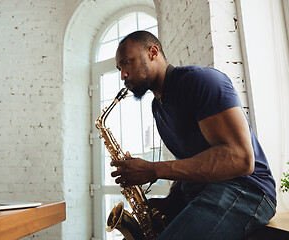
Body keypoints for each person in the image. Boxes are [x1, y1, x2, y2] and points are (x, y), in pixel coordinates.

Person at [111, 30, 276, 240]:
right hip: (203, 191)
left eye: (127, 62)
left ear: (153, 52)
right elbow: (189, 162)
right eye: (119, 68)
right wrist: (170, 202)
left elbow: (240, 159)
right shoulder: (158, 107)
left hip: (247, 189)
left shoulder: (201, 80)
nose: (123, 75)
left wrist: (153, 169)